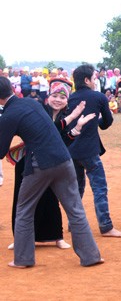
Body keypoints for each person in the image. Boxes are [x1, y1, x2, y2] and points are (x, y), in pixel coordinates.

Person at [0, 76, 103, 268]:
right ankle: (91, 256)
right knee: (75, 210)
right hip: (64, 159)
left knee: (24, 210)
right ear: (12, 89)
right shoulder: (31, 102)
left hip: (41, 163)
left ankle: (22, 259)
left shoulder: (9, 115)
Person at [67, 64, 121, 238]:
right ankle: (106, 226)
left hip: (71, 150)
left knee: (76, 189)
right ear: (87, 80)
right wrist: (96, 124)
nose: (95, 81)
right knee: (99, 188)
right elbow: (107, 122)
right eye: (93, 78)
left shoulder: (70, 98)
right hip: (89, 151)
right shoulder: (98, 97)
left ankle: (73, 223)